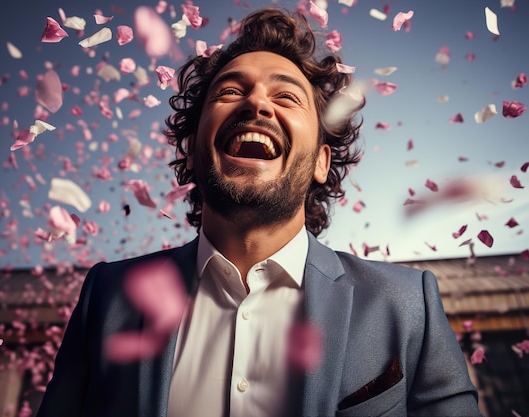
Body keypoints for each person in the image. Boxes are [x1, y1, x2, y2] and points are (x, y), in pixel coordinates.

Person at [37, 7, 481, 417]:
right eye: (230, 90)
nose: (257, 104)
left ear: (323, 161)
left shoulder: (407, 304)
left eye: (287, 98)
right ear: (191, 149)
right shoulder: (107, 296)